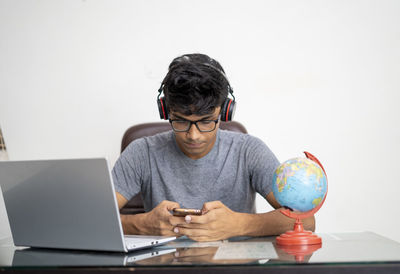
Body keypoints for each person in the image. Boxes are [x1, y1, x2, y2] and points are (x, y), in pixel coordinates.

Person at [112, 53, 315, 242]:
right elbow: (89, 221)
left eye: (206, 121)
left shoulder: (249, 151)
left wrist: (240, 224)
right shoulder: (141, 153)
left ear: (225, 112)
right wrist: (139, 225)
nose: (194, 135)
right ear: (165, 111)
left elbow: (306, 221)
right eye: (181, 121)